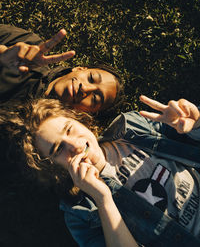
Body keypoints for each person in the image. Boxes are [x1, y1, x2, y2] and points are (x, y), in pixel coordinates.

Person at [2, 95, 200, 246]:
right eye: (58, 149)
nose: (75, 145)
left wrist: (195, 124)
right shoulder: (79, 212)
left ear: (79, 120)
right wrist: (103, 199)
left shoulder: (131, 126)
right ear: (51, 166)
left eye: (69, 129)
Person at [0, 24, 123, 113]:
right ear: (79, 69)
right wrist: (3, 54)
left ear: (88, 112)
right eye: (91, 78)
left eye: (95, 98)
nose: (84, 88)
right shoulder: (30, 44)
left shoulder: (39, 138)